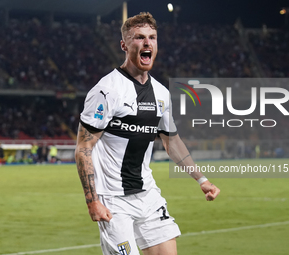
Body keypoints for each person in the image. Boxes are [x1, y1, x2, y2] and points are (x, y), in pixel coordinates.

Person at [75, 12, 220, 255]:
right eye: (139, 37)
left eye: (152, 37)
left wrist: (202, 180)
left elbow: (171, 140)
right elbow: (84, 148)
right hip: (113, 200)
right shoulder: (107, 91)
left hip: (148, 195)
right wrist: (92, 201)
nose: (147, 43)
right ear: (124, 45)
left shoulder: (161, 93)